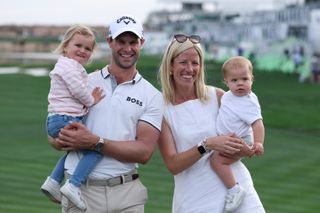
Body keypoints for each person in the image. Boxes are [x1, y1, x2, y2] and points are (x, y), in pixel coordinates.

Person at [47, 14, 163, 213]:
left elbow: (144, 152)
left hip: (128, 193)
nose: (127, 48)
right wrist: (62, 140)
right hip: (81, 193)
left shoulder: (152, 95)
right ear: (109, 41)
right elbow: (53, 133)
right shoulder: (83, 81)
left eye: (133, 42)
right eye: (120, 41)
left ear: (141, 43)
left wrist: (94, 142)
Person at [158, 34, 265, 213]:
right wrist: (207, 145)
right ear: (170, 66)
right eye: (183, 62)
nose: (190, 69)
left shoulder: (218, 96)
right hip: (196, 200)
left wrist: (247, 149)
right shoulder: (160, 109)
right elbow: (173, 165)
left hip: (239, 194)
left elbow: (246, 135)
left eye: (195, 63)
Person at [40, 24, 105, 210]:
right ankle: (73, 185)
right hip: (65, 118)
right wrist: (92, 100)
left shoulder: (69, 66)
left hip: (59, 118)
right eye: (78, 46)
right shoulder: (68, 66)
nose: (83, 51)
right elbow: (78, 90)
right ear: (65, 46)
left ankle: (53, 182)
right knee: (95, 150)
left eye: (88, 48)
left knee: (73, 151)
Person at [212, 56, 265, 212]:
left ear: (252, 80)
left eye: (244, 79)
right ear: (226, 82)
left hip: (241, 139)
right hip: (230, 138)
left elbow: (258, 124)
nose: (240, 83)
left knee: (217, 161)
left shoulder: (249, 101)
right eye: (234, 80)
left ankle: (234, 189)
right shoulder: (228, 96)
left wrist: (258, 143)